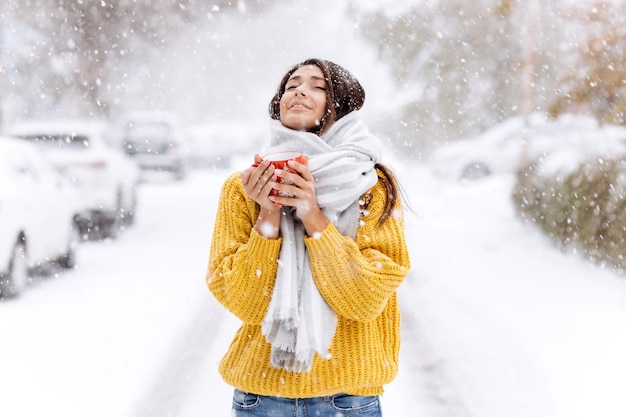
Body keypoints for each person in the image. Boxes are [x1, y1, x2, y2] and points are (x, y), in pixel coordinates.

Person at [206, 58, 411, 417]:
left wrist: (312, 216)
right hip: (260, 401)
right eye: (291, 85)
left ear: (343, 107)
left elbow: (364, 299)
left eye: (318, 85)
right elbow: (246, 302)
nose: (299, 90)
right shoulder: (242, 190)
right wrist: (269, 214)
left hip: (347, 402)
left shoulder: (371, 186)